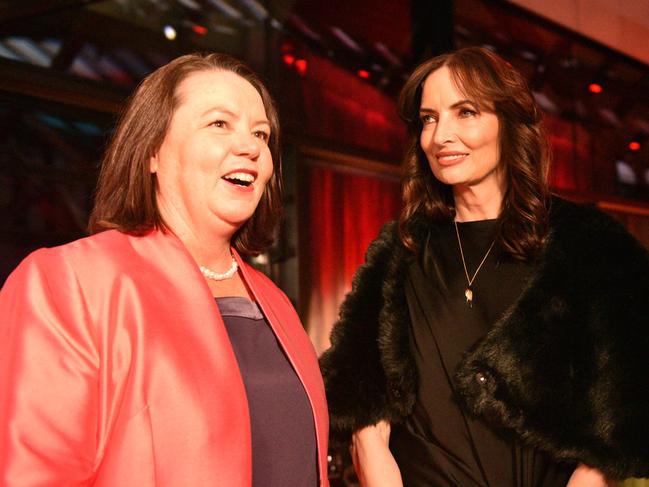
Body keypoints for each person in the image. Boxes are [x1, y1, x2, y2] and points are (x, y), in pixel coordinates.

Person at [320, 47, 649, 487]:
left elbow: (627, 408)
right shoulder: (401, 250)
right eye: (429, 118)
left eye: (466, 112)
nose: (441, 136)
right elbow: (360, 399)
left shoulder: (588, 245)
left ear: (509, 123)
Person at [0, 53, 329, 486]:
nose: (251, 146)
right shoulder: (69, 281)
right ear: (153, 150)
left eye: (261, 133)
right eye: (219, 124)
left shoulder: (275, 303)